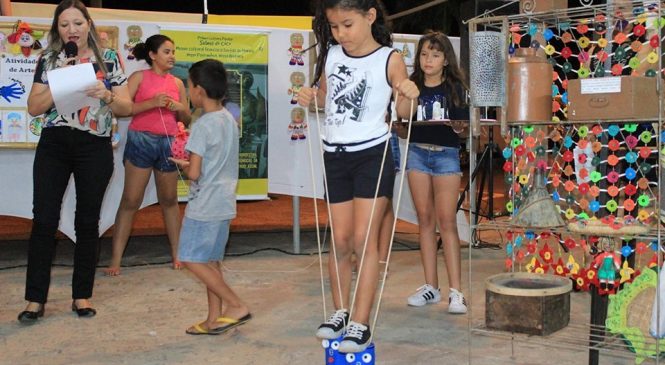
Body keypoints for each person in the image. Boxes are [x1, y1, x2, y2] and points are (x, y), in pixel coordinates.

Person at [298, 0, 419, 353]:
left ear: (370, 17)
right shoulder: (332, 55)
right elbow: (325, 99)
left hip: (372, 154)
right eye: (335, 27)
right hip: (335, 154)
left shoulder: (389, 58)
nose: (341, 34)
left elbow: (402, 108)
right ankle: (340, 311)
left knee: (365, 240)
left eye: (347, 25)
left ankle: (361, 323)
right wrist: (311, 97)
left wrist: (409, 94)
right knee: (340, 240)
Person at [18, 0, 131, 323]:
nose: (72, 30)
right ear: (57, 28)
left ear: (88, 25)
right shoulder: (49, 59)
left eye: (78, 23)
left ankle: (81, 296)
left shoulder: (108, 59)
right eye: (65, 24)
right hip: (54, 143)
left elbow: (125, 107)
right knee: (43, 220)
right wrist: (60, 82)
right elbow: (34, 107)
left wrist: (106, 95)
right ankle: (34, 300)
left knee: (87, 222)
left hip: (93, 145)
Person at [169, 59, 251, 335]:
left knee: (190, 258)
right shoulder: (229, 118)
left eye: (189, 86)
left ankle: (235, 304)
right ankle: (213, 319)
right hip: (224, 202)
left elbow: (194, 174)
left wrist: (184, 164)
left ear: (199, 90)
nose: (188, 92)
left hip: (204, 205)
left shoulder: (202, 125)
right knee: (211, 263)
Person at [104, 34, 191, 276]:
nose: (172, 56)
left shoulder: (178, 84)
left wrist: (180, 108)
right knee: (131, 200)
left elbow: (186, 118)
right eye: (166, 51)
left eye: (173, 51)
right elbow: (123, 110)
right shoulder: (138, 77)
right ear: (152, 55)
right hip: (141, 140)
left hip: (169, 142)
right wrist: (152, 103)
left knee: (170, 200)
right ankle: (115, 260)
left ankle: (177, 256)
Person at [403, 31, 469, 314]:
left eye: (436, 54)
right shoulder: (412, 85)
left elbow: (465, 128)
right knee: (425, 220)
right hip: (417, 153)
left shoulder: (455, 86)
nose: (429, 60)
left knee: (447, 221)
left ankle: (457, 292)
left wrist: (460, 128)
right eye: (424, 54)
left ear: (445, 60)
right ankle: (431, 286)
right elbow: (402, 117)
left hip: (446, 157)